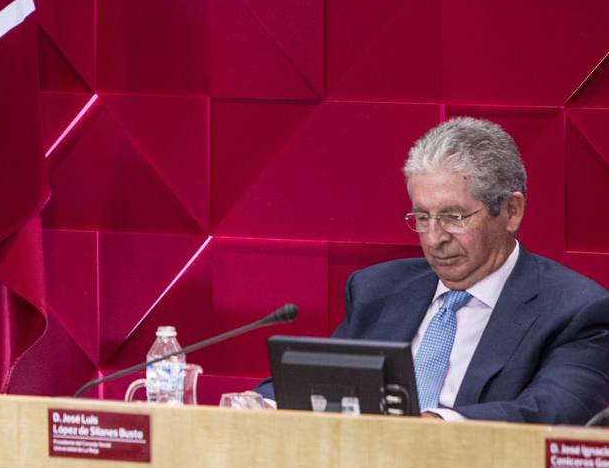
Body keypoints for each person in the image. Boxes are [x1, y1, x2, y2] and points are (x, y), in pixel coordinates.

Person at [261, 117, 609, 424]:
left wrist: (430, 426)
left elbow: (555, 412)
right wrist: (261, 404)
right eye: (422, 217)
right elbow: (319, 381)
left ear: (511, 211)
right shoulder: (376, 289)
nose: (434, 238)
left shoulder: (575, 310)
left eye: (454, 217)